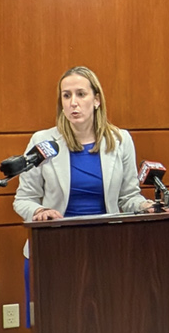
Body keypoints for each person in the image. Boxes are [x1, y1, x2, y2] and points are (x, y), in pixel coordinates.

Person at [12, 66, 158, 232]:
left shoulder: (120, 140)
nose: (73, 103)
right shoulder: (42, 141)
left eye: (81, 94)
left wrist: (145, 205)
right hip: (54, 239)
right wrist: (39, 211)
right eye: (66, 96)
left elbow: (128, 197)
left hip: (108, 239)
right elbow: (24, 199)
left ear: (97, 100)